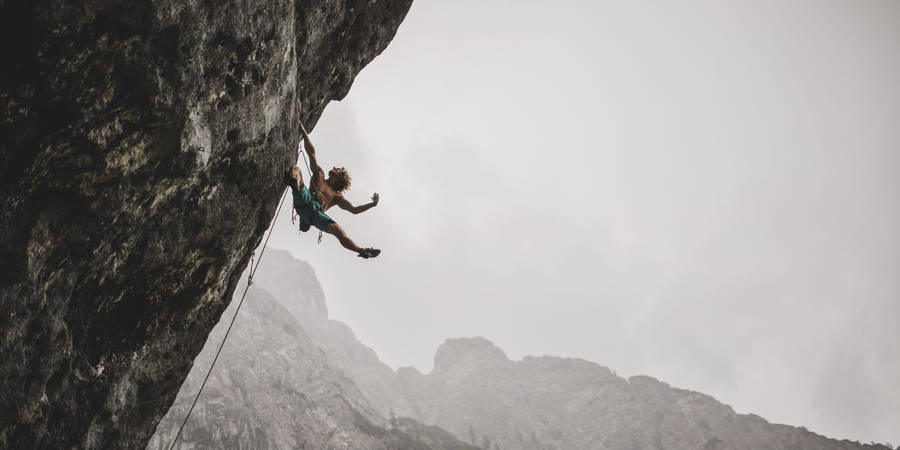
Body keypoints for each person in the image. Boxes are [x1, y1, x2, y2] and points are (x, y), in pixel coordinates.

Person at [285, 120, 381, 259]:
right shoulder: (320, 175)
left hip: (314, 214)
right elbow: (311, 152)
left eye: (338, 169)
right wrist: (303, 132)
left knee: (338, 230)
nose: (335, 167)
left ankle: (362, 250)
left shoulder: (336, 197)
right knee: (297, 170)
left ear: (338, 177)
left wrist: (373, 204)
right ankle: (294, 183)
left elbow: (354, 210)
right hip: (309, 206)